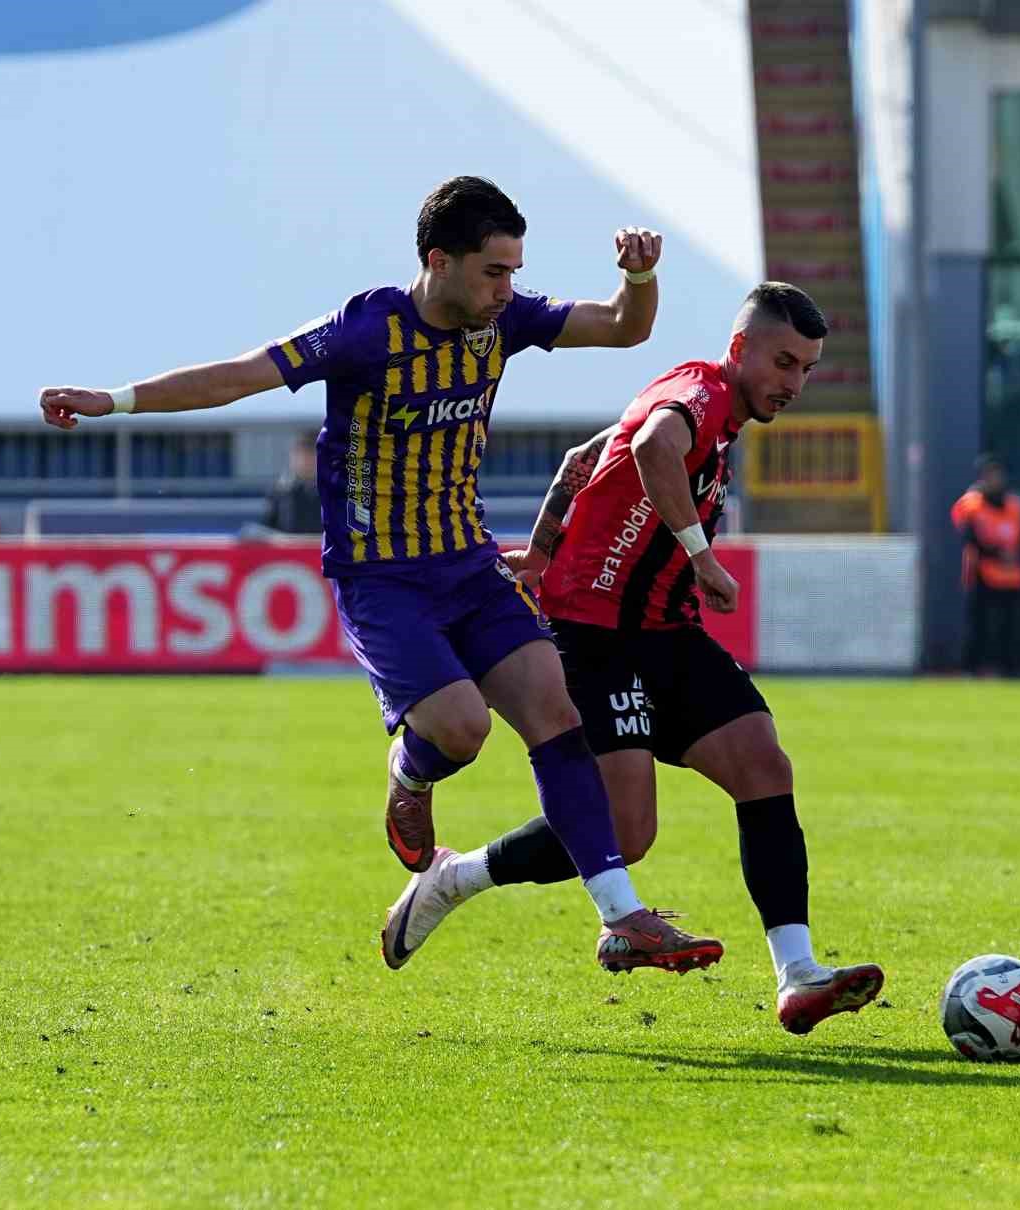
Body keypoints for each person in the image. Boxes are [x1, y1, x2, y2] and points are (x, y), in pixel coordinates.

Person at [38, 175, 721, 974]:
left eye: (513, 272)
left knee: (553, 711)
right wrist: (115, 400)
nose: (507, 290)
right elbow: (240, 374)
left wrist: (640, 277)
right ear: (439, 260)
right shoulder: (365, 330)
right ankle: (413, 772)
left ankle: (621, 917)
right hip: (382, 578)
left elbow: (623, 328)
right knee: (461, 729)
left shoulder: (503, 320)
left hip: (470, 562)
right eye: (494, 272)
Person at [376, 282, 884, 1036]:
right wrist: (700, 554)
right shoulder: (701, 393)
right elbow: (651, 447)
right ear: (740, 349)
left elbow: (586, 455)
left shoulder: (716, 414)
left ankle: (799, 974)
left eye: (806, 369)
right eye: (783, 362)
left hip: (666, 632)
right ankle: (454, 880)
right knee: (628, 830)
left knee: (763, 765)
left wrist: (540, 548)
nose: (794, 383)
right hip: (595, 633)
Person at [951, 454, 1020, 675]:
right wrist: (995, 553)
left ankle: (1010, 667)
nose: (996, 479)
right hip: (982, 572)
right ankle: (972, 667)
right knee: (979, 623)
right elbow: (969, 539)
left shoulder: (1015, 505)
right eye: (990, 475)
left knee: (1011, 625)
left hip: (1012, 574)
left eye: (998, 474)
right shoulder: (971, 505)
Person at [257, 430, 324, 535]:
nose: (304, 461)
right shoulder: (280, 491)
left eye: (310, 455)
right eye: (299, 455)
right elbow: (267, 530)